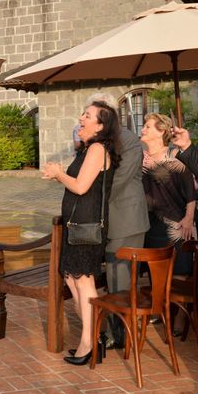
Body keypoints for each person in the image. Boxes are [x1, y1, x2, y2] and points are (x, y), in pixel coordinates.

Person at [42, 101, 120, 365]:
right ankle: (94, 336)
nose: (81, 118)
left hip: (86, 228)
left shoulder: (98, 149)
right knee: (74, 282)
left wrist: (58, 173)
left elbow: (80, 187)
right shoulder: (89, 148)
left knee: (84, 282)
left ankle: (89, 344)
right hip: (76, 226)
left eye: (88, 116)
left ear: (100, 126)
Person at [85, 93, 149, 350]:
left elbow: (120, 180)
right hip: (107, 219)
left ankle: (122, 336)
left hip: (127, 218)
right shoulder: (98, 140)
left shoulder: (130, 140)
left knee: (121, 279)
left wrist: (88, 191)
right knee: (113, 278)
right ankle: (116, 331)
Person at [140, 114, 195, 276]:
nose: (142, 129)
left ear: (161, 131)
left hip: (176, 225)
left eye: (147, 126)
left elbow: (190, 190)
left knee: (178, 276)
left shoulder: (176, 155)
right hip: (149, 224)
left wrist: (189, 218)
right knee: (155, 277)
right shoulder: (141, 158)